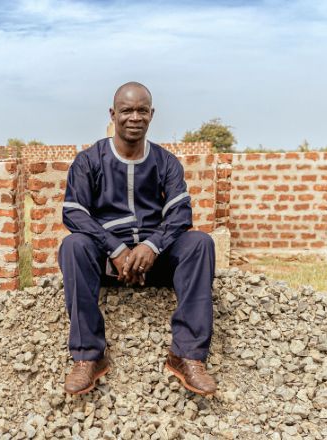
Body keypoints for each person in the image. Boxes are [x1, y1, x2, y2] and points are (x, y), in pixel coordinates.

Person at [58, 82, 217, 396]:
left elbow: (181, 213)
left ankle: (187, 355)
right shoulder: (89, 160)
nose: (134, 117)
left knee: (200, 242)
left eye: (142, 110)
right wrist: (115, 248)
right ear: (113, 113)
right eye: (127, 110)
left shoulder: (165, 162)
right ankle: (88, 356)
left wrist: (152, 245)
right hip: (108, 263)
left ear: (152, 114)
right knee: (73, 245)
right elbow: (74, 213)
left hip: (153, 261)